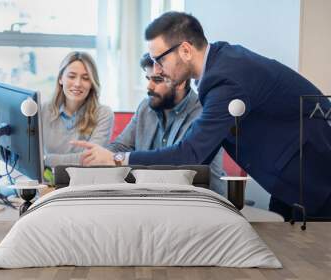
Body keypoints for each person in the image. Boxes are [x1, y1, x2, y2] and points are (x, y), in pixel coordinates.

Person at [73, 12, 331, 220]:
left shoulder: (226, 80)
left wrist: (118, 159)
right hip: (289, 178)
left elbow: (190, 153)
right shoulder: (220, 64)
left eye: (159, 60)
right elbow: (197, 156)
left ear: (185, 50)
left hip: (316, 179)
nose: (158, 70)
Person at [80, 53, 226, 195]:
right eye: (148, 79)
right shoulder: (146, 106)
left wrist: (117, 159)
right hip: (151, 197)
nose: (149, 87)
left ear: (180, 82)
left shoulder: (204, 113)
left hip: (195, 199)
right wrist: (102, 157)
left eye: (157, 80)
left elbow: (179, 165)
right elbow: (121, 146)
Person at [41, 51, 113, 167]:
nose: (78, 83)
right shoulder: (42, 110)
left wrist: (45, 160)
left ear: (92, 83)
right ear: (60, 79)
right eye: (71, 76)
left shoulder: (103, 114)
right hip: (47, 182)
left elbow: (91, 159)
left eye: (85, 78)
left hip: (85, 182)